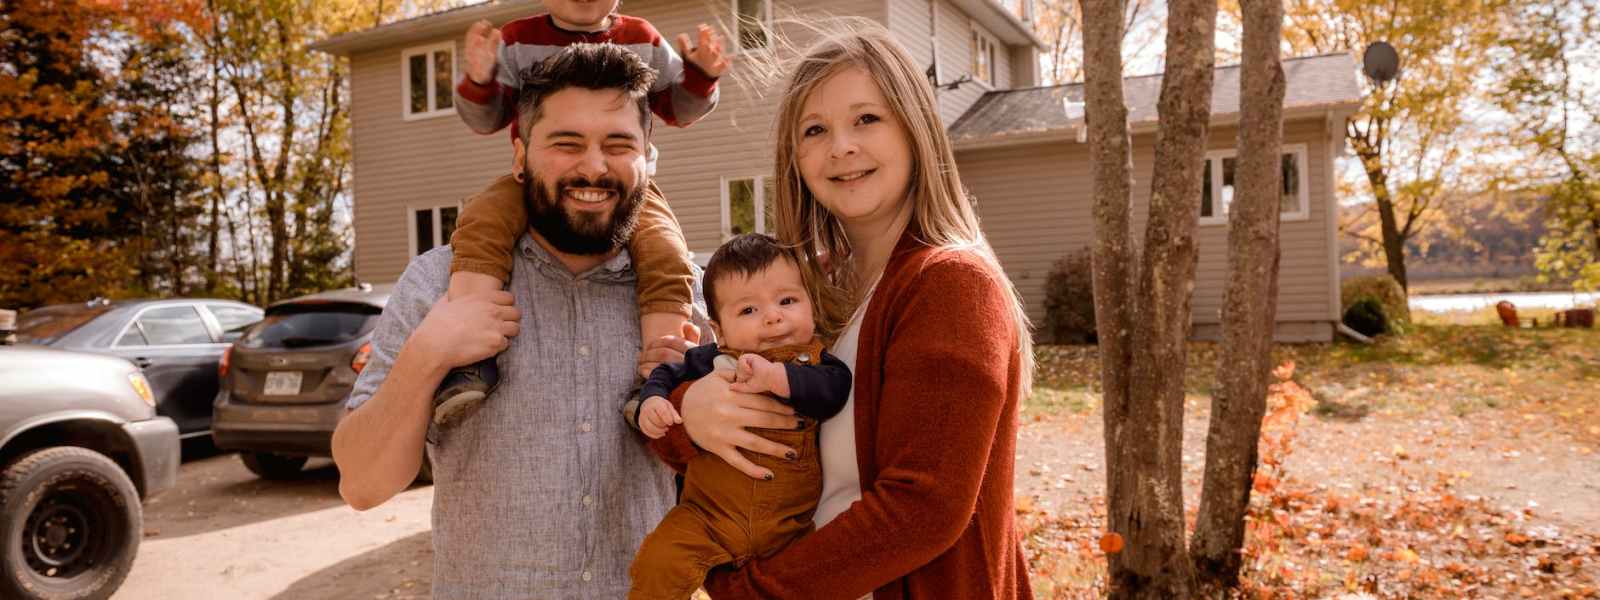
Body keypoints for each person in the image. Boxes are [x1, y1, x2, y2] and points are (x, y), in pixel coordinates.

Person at [330, 44, 790, 598]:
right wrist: (428, 353)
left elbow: (767, 474)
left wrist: (702, 413)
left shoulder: (695, 299)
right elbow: (362, 486)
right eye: (566, 144)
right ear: (521, 156)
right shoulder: (439, 285)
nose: (593, 166)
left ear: (650, 157)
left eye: (618, 144)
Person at [649, 23, 1037, 598]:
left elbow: (921, 509)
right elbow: (697, 437)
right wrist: (689, 403)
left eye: (866, 119)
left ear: (915, 130)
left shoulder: (950, 285)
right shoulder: (809, 289)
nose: (841, 147)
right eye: (816, 129)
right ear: (795, 157)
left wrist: (747, 590)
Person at [435, 0, 732, 423]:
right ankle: (470, 357)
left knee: (667, 253)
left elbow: (678, 109)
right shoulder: (518, 40)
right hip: (536, 183)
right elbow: (487, 119)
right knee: (481, 227)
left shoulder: (642, 38)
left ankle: (658, 375)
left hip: (630, 192)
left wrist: (701, 76)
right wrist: (481, 81)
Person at [628, 233, 852, 599]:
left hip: (788, 528)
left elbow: (834, 391)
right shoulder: (711, 359)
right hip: (708, 517)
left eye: (788, 300)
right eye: (749, 310)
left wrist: (777, 378)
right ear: (718, 329)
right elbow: (666, 374)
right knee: (656, 563)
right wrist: (652, 401)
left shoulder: (815, 362)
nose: (773, 317)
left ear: (811, 303)